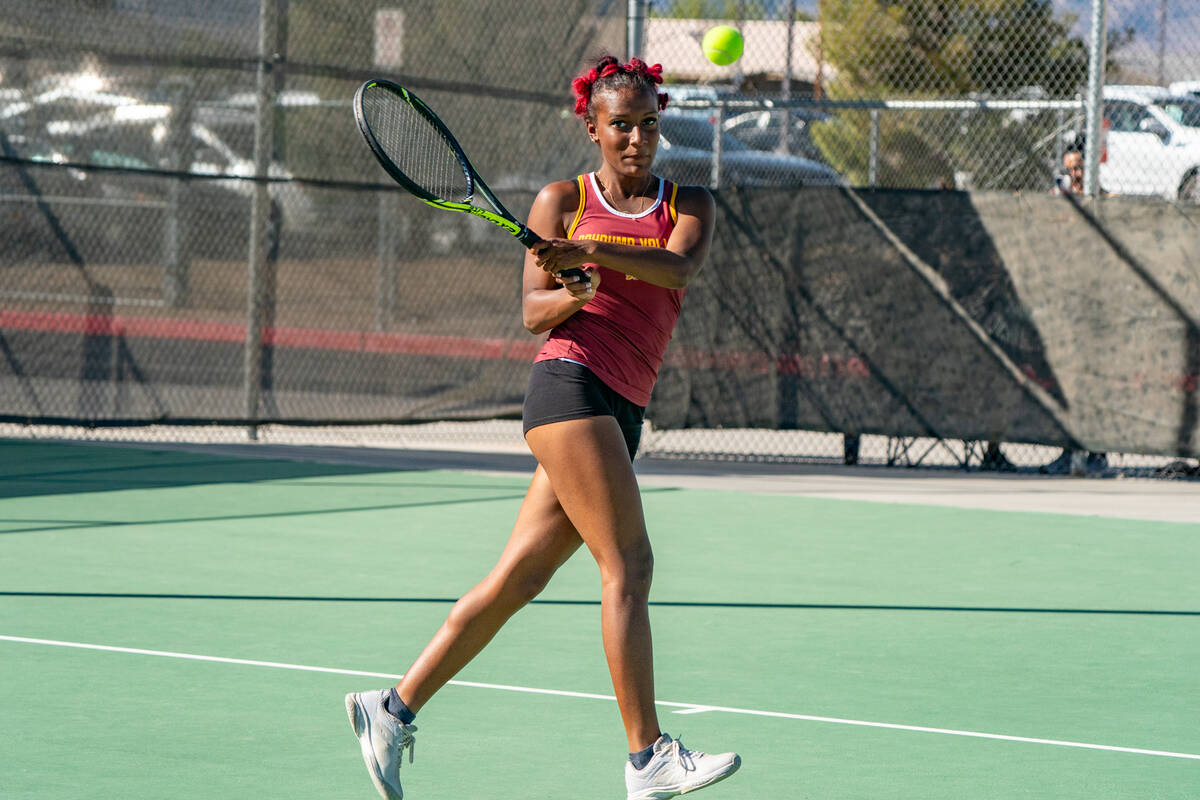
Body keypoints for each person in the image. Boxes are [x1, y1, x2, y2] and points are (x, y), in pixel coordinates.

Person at [343, 56, 741, 800]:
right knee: (631, 565)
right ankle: (647, 756)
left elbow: (678, 270)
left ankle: (390, 709)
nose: (636, 140)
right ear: (591, 125)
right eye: (620, 125)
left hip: (624, 405)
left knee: (520, 577)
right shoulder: (561, 199)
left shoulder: (690, 203)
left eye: (649, 125)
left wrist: (590, 256)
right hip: (571, 385)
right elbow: (533, 314)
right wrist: (571, 296)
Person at [1042, 149, 1108, 476]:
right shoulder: (1064, 202)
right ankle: (1068, 453)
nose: (1076, 175)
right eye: (1071, 170)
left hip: (1099, 312)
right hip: (1068, 309)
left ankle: (1096, 455)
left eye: (1080, 168)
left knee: (1095, 383)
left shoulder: (1106, 201)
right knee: (1066, 383)